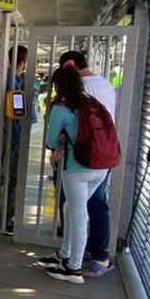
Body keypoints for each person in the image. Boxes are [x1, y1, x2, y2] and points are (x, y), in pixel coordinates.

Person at [42, 64, 108, 284]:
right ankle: (65, 254)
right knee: (70, 207)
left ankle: (73, 269)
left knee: (79, 216)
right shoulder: (92, 102)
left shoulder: (62, 108)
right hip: (102, 167)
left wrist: (61, 140)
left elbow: (50, 141)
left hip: (78, 170)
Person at [57, 50, 118, 278]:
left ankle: (74, 261)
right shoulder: (105, 84)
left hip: (83, 157)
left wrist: (60, 149)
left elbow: (78, 126)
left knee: (77, 208)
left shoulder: (82, 89)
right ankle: (98, 255)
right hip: (106, 153)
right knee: (96, 203)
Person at [2, 45, 33, 232]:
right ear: (23, 61)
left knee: (10, 180)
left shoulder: (16, 80)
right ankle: (4, 220)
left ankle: (5, 218)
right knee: (12, 180)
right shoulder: (11, 83)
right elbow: (14, 116)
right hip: (11, 138)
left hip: (12, 136)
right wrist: (16, 141)